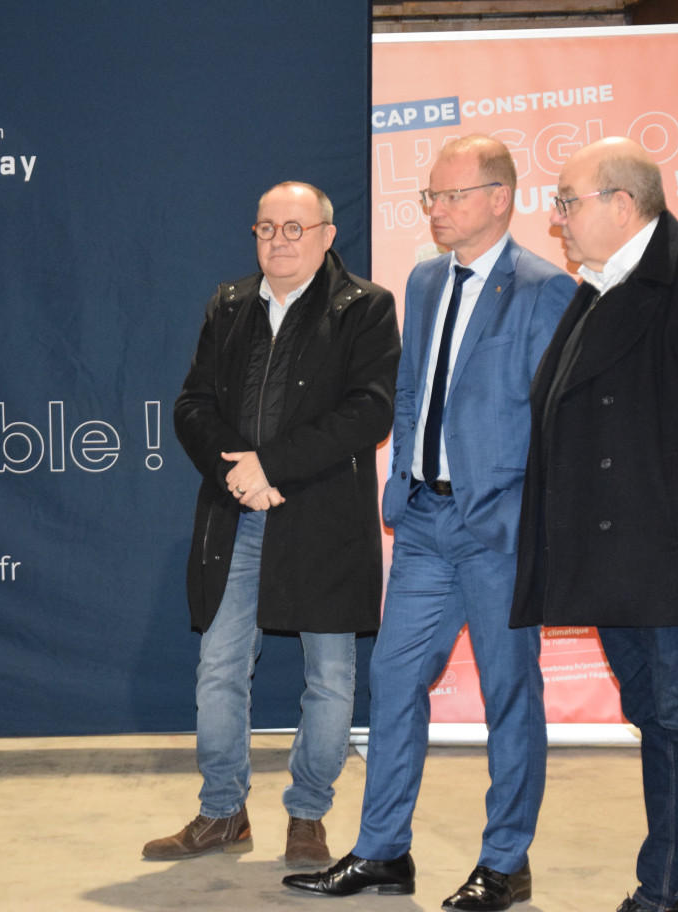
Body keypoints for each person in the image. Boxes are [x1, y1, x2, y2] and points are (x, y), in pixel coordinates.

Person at [283, 135, 574, 909]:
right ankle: (383, 852)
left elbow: (562, 422)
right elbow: (411, 390)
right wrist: (403, 483)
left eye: (449, 197)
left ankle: (505, 862)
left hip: (498, 532)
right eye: (430, 199)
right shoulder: (421, 280)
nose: (436, 211)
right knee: (393, 678)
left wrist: (527, 517)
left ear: (499, 198)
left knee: (511, 693)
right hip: (422, 525)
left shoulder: (546, 289)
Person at [511, 137, 678, 912]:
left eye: (568, 201)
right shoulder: (602, 285)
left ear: (622, 205)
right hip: (619, 558)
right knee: (658, 721)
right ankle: (660, 887)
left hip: (673, 550)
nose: (557, 218)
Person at [147, 182, 400, 868]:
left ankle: (308, 814)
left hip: (321, 517)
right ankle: (222, 812)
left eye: (294, 228)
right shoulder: (228, 304)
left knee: (331, 677)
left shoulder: (365, 308)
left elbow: (368, 412)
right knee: (220, 668)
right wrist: (237, 473)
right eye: (266, 229)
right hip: (237, 516)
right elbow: (192, 404)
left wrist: (273, 469)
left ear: (326, 234)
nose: (279, 242)